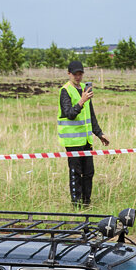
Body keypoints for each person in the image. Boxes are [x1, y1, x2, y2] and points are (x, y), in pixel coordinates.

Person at [57, 60, 111, 208]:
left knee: (89, 173)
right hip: (73, 142)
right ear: (69, 74)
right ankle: (76, 206)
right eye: (75, 74)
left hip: (86, 141)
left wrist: (99, 134)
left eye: (80, 73)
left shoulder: (84, 90)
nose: (78, 77)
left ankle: (86, 204)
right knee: (76, 174)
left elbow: (90, 115)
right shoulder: (65, 91)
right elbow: (69, 114)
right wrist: (81, 101)